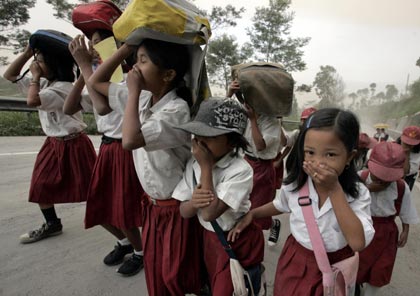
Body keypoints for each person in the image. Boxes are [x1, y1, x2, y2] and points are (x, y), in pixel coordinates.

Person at [89, 38, 203, 295]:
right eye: (136, 60)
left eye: (143, 61)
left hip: (176, 210)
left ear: (169, 74)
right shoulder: (142, 100)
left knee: (176, 277)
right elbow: (96, 82)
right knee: (156, 272)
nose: (135, 68)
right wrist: (126, 49)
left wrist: (131, 92)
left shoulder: (176, 110)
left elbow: (130, 140)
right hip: (153, 208)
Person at [228, 108, 375, 295]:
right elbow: (280, 204)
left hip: (335, 267)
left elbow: (357, 243)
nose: (318, 162)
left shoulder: (357, 194)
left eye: (330, 155)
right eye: (310, 152)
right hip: (295, 260)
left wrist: (334, 190)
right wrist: (253, 213)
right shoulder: (297, 184)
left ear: (350, 157)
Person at [64, 31, 145, 276]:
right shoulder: (94, 76)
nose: (92, 45)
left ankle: (140, 252)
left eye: (98, 40)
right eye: (91, 40)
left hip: (123, 149)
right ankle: (124, 242)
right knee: (99, 204)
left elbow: (102, 107)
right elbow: (69, 108)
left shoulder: (125, 79)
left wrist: (85, 65)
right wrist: (83, 73)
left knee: (122, 206)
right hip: (107, 147)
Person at [3, 37, 96, 244]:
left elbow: (32, 100)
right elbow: (10, 75)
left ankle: (120, 222)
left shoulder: (62, 88)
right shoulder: (46, 82)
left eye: (41, 61)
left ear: (54, 65)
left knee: (94, 189)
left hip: (74, 144)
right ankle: (52, 223)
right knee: (40, 185)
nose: (36, 65)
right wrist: (28, 53)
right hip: (53, 143)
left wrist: (34, 76)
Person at [173, 98, 264, 296]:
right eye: (197, 135)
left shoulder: (240, 170)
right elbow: (183, 211)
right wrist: (192, 203)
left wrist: (206, 167)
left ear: (231, 142)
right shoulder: (193, 165)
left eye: (209, 136)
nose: (199, 143)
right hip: (210, 240)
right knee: (213, 283)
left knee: (233, 287)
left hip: (235, 240)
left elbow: (209, 214)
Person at [356, 142, 419, 296]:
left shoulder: (401, 187)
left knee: (381, 269)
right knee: (357, 267)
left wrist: (405, 229)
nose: (384, 179)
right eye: (380, 174)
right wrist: (367, 189)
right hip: (360, 228)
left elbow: (406, 210)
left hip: (386, 234)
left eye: (389, 176)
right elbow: (344, 202)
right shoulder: (358, 179)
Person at [227, 79, 281, 246]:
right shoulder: (246, 111)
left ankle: (271, 227)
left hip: (263, 169)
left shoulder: (272, 121)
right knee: (241, 207)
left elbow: (260, 145)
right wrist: (230, 94)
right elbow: (224, 114)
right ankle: (245, 243)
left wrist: (252, 120)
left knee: (257, 212)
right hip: (245, 162)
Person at [269, 107, 318, 246]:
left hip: (311, 175)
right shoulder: (297, 134)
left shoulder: (320, 138)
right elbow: (287, 144)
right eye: (303, 120)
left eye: (308, 120)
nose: (305, 124)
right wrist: (279, 123)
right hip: (296, 171)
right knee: (292, 200)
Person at [396, 126, 420, 190]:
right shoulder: (394, 145)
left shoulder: (417, 155)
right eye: (406, 141)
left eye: (412, 143)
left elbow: (405, 172)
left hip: (406, 180)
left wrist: (406, 153)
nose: (408, 144)